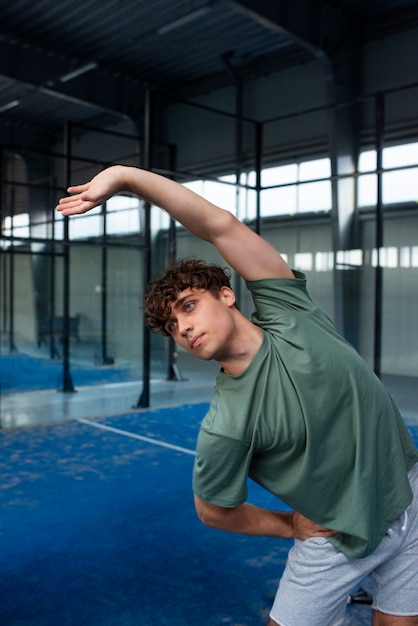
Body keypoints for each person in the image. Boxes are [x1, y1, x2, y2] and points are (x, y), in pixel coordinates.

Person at [57, 165, 418, 626]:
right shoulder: (227, 423)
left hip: (408, 494)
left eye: (188, 307)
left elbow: (218, 225)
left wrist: (126, 178)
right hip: (338, 534)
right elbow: (211, 510)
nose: (183, 328)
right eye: (171, 326)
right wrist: (288, 524)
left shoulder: (291, 313)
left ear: (226, 295)